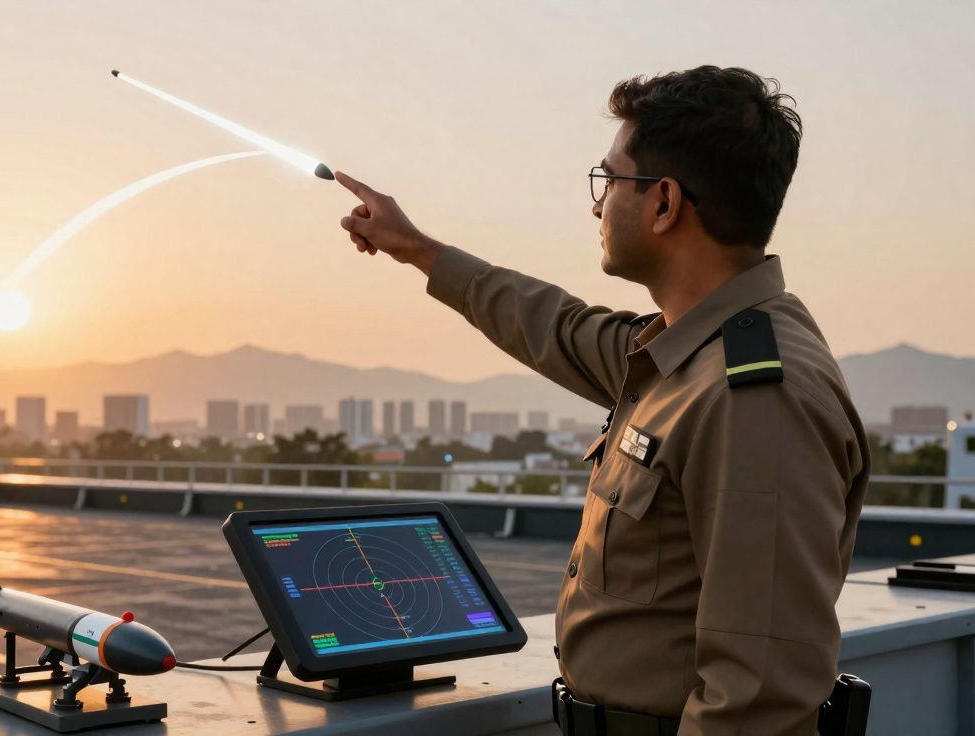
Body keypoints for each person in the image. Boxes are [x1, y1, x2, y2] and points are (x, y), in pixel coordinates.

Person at [335, 66, 868, 735]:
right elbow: (554, 326)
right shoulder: (685, 353)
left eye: (609, 180)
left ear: (664, 202)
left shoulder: (756, 397)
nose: (596, 205)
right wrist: (414, 248)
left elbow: (756, 697)